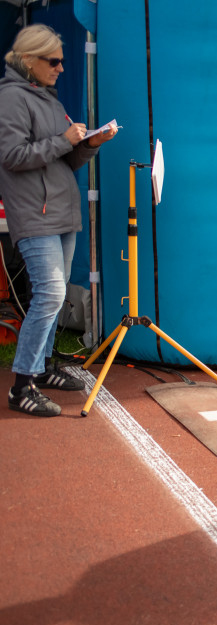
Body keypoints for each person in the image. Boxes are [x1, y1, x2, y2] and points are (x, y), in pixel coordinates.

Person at [0, 24, 117, 417]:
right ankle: (22, 386)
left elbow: (63, 160)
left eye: (63, 61)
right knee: (50, 294)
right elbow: (12, 156)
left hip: (60, 213)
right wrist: (64, 140)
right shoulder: (12, 98)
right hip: (35, 214)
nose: (62, 68)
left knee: (53, 294)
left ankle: (44, 367)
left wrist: (88, 146)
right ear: (30, 60)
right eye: (54, 61)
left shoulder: (45, 98)